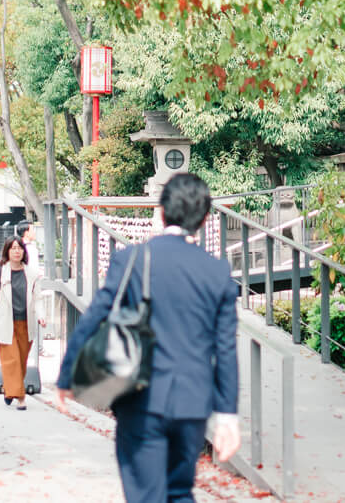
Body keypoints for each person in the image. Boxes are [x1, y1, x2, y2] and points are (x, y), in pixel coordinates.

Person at [57, 173, 241, 503]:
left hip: (140, 401)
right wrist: (227, 416)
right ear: (204, 220)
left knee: (146, 495)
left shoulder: (131, 260)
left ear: (161, 211)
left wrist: (67, 375)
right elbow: (225, 348)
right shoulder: (217, 273)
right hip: (191, 405)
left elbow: (96, 315)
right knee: (180, 492)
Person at [0, 236, 43, 410]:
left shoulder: (32, 274)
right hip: (5, 323)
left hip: (25, 323)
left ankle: (9, 389)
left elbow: (38, 299)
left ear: (23, 252)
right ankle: (20, 398)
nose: (16, 251)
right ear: (7, 251)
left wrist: (41, 316)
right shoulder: (0, 273)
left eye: (19, 248)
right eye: (13, 248)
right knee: (11, 360)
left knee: (20, 361)